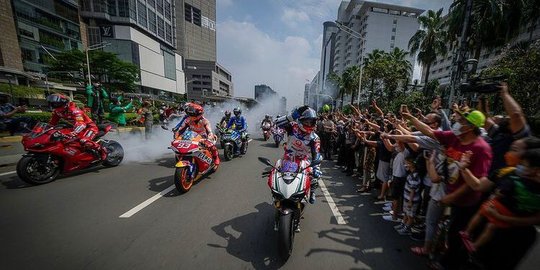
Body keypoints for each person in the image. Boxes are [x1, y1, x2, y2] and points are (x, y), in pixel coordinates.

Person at [275, 105, 322, 206]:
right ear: (300, 120)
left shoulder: (314, 138)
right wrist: (292, 116)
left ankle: (312, 192)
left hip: (302, 161)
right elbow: (277, 123)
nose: (309, 124)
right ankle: (277, 196)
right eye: (306, 121)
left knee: (314, 178)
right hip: (287, 158)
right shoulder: (293, 127)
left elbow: (316, 155)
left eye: (311, 122)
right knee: (275, 175)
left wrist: (316, 168)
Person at [47, 93, 107, 160]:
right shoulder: (57, 112)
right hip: (76, 128)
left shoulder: (75, 110)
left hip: (89, 127)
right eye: (52, 104)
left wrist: (73, 133)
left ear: (64, 103)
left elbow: (81, 124)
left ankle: (102, 150)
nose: (54, 106)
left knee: (84, 141)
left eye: (56, 104)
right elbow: (52, 124)